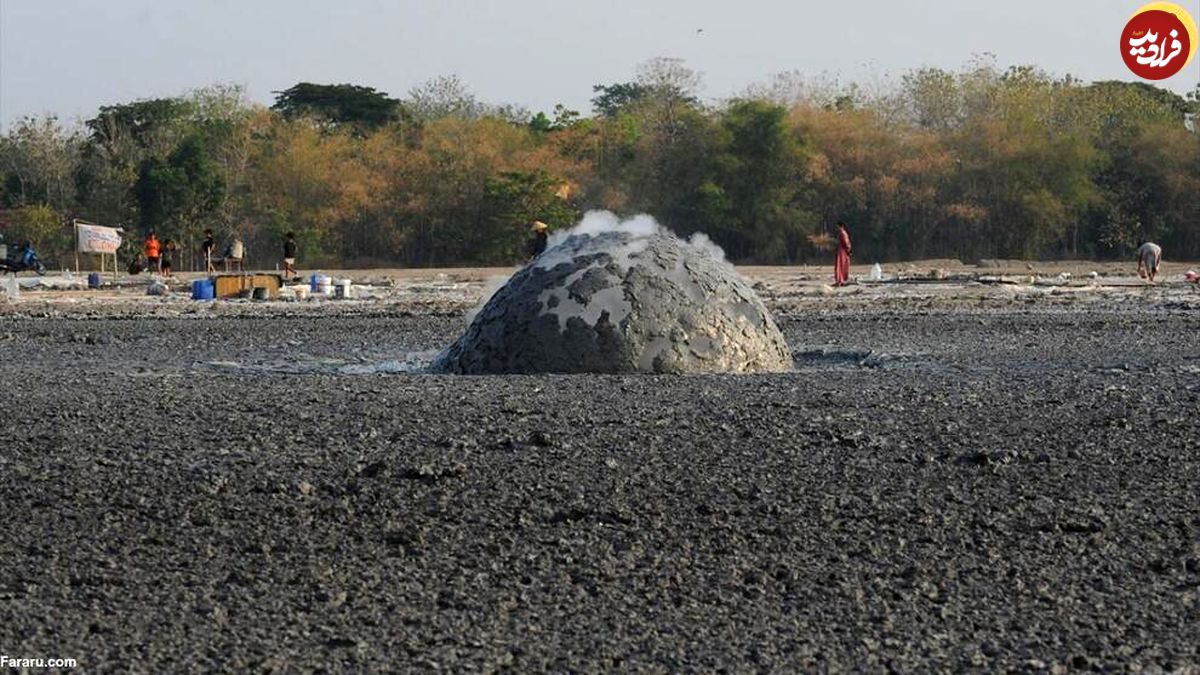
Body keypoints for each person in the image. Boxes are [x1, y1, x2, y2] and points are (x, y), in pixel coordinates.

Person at [834, 220, 852, 287]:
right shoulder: (841, 233)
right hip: (841, 250)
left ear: (841, 226)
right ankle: (840, 280)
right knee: (840, 266)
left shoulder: (843, 233)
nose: (837, 228)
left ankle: (841, 280)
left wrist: (848, 250)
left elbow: (846, 242)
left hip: (842, 251)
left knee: (841, 265)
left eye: (837, 226)